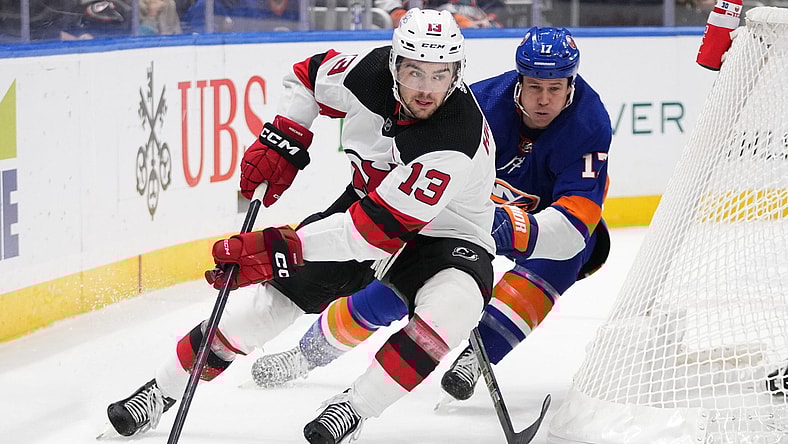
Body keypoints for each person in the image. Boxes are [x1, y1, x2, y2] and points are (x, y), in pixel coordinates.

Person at [104, 8, 498, 444]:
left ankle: (354, 408)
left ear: (457, 74)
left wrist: (280, 246)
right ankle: (160, 391)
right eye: (414, 72)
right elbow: (307, 77)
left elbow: (372, 233)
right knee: (264, 309)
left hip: (447, 237)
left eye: (440, 75)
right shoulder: (366, 75)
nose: (425, 89)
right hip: (367, 207)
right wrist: (286, 136)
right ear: (394, 64)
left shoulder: (454, 138)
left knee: (452, 309)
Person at [251, 27, 613, 407]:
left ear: (571, 85)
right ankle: (308, 354)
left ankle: (478, 356)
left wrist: (511, 227)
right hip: (465, 213)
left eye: (555, 88)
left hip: (537, 222)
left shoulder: (589, 123)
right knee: (396, 286)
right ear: (519, 80)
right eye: (535, 86)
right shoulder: (481, 104)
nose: (544, 100)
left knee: (571, 255)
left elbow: (575, 224)